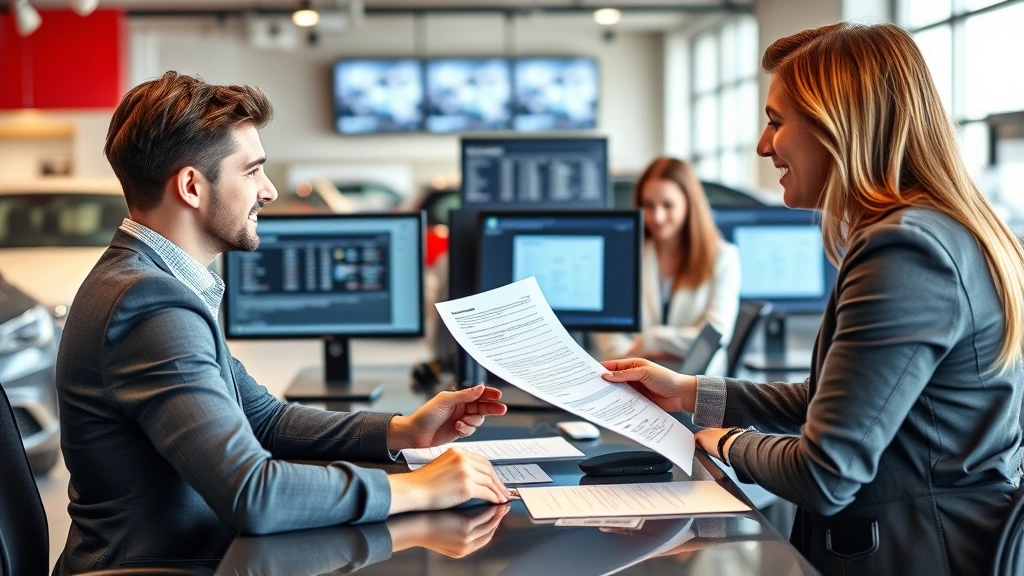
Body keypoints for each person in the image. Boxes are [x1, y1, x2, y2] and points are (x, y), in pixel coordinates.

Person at [602, 22, 1024, 575]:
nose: (762, 144)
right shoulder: (935, 231)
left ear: (836, 125)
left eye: (777, 122)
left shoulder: (905, 249)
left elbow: (826, 471)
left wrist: (724, 442)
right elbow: (835, 401)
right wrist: (688, 393)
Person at [53, 71, 513, 575]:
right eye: (252, 171)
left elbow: (263, 419)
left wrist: (403, 432)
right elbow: (255, 494)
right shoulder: (150, 305)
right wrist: (420, 487)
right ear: (191, 186)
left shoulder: (150, 282)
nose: (268, 191)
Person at [593, 157, 740, 375]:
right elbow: (609, 333)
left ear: (689, 204)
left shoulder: (723, 256)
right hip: (633, 380)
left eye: (668, 205)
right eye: (648, 206)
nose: (657, 216)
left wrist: (651, 340)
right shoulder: (626, 253)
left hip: (697, 385)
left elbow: (715, 334)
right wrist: (631, 361)